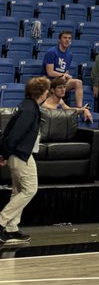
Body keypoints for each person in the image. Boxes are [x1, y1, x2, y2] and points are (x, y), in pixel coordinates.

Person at [0, 76, 51, 244]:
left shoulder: (27, 106)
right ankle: (1, 221)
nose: (48, 93)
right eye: (46, 91)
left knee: (18, 190)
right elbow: (15, 134)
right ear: (42, 93)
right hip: (21, 154)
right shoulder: (30, 110)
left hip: (18, 154)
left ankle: (11, 228)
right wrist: (5, 153)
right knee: (30, 189)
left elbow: (8, 130)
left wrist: (4, 153)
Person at [41, 30, 86, 109]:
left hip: (61, 81)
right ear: (59, 40)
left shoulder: (69, 54)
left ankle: (79, 109)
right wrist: (63, 75)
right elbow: (50, 72)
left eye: (69, 38)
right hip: (49, 83)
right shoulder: (51, 52)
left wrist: (65, 76)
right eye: (65, 38)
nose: (67, 40)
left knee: (78, 82)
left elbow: (65, 70)